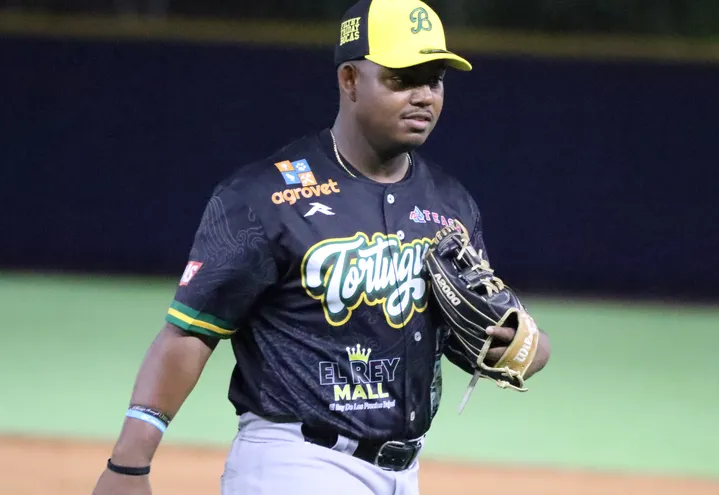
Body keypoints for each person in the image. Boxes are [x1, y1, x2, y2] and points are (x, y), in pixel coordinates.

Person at [92, 0, 551, 493]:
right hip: (297, 463)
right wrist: (129, 465)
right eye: (402, 79)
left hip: (404, 472)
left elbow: (475, 332)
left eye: (434, 80)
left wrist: (522, 344)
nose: (423, 96)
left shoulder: (451, 203)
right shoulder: (264, 197)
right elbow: (190, 332)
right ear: (350, 80)